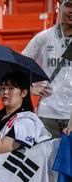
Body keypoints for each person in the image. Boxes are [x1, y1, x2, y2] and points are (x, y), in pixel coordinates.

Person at [22, 0, 72, 138]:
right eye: (69, 6)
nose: (71, 11)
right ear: (60, 7)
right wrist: (30, 87)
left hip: (71, 115)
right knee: (46, 158)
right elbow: (20, 65)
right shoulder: (44, 38)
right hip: (47, 113)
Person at [0, 72, 52, 155]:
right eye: (3, 88)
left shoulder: (27, 120)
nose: (5, 92)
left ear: (24, 93)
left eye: (11, 88)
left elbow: (1, 149)